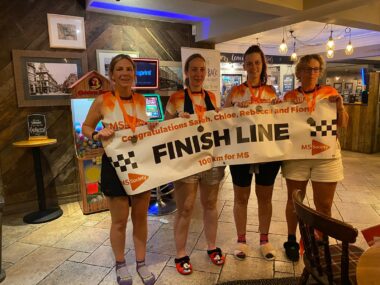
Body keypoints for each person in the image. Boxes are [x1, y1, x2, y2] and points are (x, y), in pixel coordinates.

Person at [82, 54, 155, 285]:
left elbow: (149, 129)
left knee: (141, 218)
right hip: (114, 166)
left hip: (141, 163)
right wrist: (95, 134)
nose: (125, 73)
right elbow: (86, 126)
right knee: (119, 221)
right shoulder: (103, 100)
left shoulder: (143, 101)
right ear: (112, 74)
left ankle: (141, 263)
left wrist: (152, 127)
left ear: (134, 74)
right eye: (120, 69)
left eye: (129, 69)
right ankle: (121, 264)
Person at [282, 54, 349, 262]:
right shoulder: (289, 96)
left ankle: (320, 240)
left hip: (326, 156)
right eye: (307, 69)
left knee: (325, 203)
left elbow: (343, 123)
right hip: (297, 156)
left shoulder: (330, 93)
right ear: (299, 72)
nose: (312, 73)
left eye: (316, 69)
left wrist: (338, 106)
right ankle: (292, 239)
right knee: (294, 200)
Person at [165, 53, 225, 275]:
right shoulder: (176, 98)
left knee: (210, 204)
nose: (198, 74)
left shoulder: (212, 96)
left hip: (210, 160)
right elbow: (165, 129)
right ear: (186, 72)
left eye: (202, 69)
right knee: (186, 208)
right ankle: (181, 253)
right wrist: (177, 121)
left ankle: (212, 246)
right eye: (194, 69)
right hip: (186, 162)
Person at [224, 45, 282, 261]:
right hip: (241, 152)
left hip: (267, 153)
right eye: (249, 63)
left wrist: (278, 107)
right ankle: (241, 240)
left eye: (257, 62)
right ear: (244, 66)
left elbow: (279, 120)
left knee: (264, 198)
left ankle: (264, 240)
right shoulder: (235, 91)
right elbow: (223, 120)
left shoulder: (271, 92)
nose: (253, 67)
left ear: (262, 65)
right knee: (241, 197)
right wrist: (235, 108)